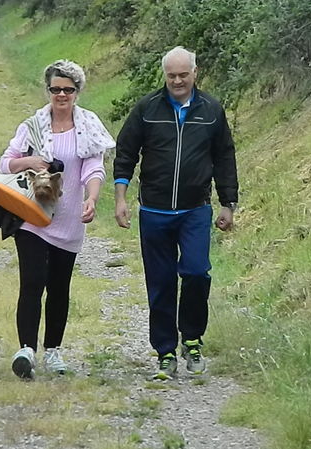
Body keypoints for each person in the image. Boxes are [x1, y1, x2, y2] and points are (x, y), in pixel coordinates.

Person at [113, 46, 238, 380]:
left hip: (195, 209)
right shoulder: (147, 109)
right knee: (161, 282)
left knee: (197, 272)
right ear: (164, 75)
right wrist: (120, 198)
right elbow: (126, 153)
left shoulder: (211, 109)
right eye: (172, 76)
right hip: (154, 210)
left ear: (195, 73)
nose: (178, 81)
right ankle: (165, 352)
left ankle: (193, 339)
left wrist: (228, 203)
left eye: (184, 75)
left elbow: (225, 156)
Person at [0, 60, 115, 379]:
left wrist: (92, 197)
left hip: (70, 218)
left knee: (60, 286)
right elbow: (5, 163)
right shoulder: (33, 125)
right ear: (47, 90)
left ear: (78, 91)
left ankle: (53, 351)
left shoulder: (89, 125)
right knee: (33, 281)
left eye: (68, 89)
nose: (61, 95)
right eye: (55, 89)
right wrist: (30, 161)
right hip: (32, 217)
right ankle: (26, 350)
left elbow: (94, 168)